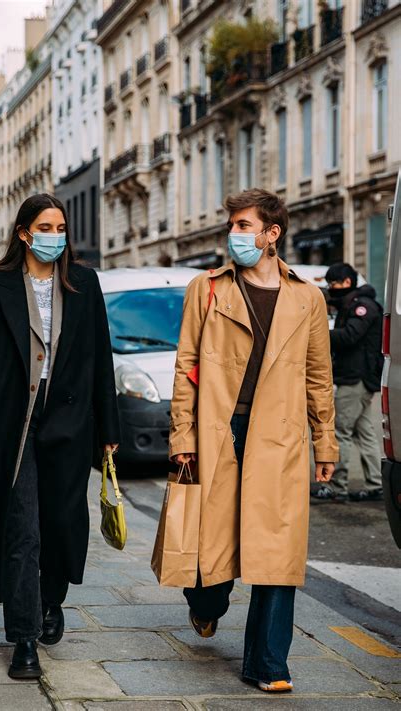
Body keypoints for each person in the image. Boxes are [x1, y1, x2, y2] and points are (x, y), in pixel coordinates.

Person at [169, 188, 338, 693]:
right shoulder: (208, 288)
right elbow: (186, 366)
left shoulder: (307, 296)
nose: (235, 234)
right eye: (233, 225)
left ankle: (268, 664)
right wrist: (183, 433)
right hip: (220, 430)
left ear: (272, 234)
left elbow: (318, 375)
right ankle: (205, 604)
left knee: (277, 550)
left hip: (280, 437)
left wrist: (325, 443)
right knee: (212, 548)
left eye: (244, 226)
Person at [0, 194, 120, 679]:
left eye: (60, 227)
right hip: (11, 426)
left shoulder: (84, 283)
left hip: (68, 425)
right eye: (45, 227)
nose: (55, 235)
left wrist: (108, 429)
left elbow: (99, 359)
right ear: (24, 232)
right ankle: (24, 639)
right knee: (22, 530)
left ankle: (50, 598)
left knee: (61, 524)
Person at [311, 262, 383, 503]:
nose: (331, 288)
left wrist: (319, 332)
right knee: (365, 433)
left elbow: (351, 336)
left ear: (347, 283)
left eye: (334, 284)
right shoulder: (353, 304)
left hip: (355, 378)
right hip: (360, 377)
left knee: (340, 431)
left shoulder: (362, 307)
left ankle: (335, 486)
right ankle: (375, 485)